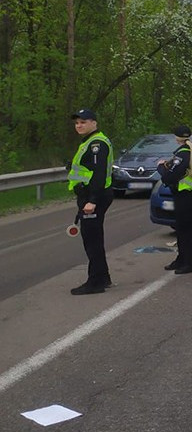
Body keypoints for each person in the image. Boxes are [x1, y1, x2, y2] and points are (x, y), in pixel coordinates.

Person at [67, 109, 114, 295]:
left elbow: (99, 173)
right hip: (89, 196)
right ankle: (103, 277)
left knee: (92, 240)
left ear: (94, 123)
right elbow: (87, 169)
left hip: (94, 197)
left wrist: (92, 200)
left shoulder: (97, 144)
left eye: (83, 122)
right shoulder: (88, 142)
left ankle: (96, 282)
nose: (79, 125)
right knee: (94, 238)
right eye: (77, 122)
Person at [157, 125, 192, 275]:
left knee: (185, 230)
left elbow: (169, 176)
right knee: (181, 228)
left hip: (184, 195)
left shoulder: (184, 153)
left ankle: (189, 263)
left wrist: (160, 167)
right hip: (188, 194)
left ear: (176, 137)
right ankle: (182, 259)